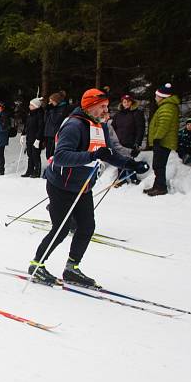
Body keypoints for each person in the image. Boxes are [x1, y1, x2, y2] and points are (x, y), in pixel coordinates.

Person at [27, 88, 150, 287]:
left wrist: (131, 165)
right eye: (102, 106)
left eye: (106, 106)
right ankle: (36, 265)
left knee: (86, 227)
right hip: (61, 185)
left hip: (83, 185)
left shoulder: (100, 126)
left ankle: (72, 269)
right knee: (61, 229)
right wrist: (92, 156)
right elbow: (61, 156)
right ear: (90, 106)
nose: (105, 110)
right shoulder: (74, 126)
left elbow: (107, 153)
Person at [145, 83, 180, 196]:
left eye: (156, 96)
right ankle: (158, 186)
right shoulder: (166, 106)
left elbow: (163, 125)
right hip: (162, 141)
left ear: (162, 96)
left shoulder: (167, 107)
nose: (155, 98)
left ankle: (161, 187)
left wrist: (157, 138)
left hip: (163, 142)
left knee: (159, 165)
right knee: (158, 164)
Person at [43, 91, 70, 160]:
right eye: (49, 101)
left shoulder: (62, 108)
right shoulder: (53, 108)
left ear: (57, 101)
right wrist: (47, 110)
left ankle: (53, 168)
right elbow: (45, 120)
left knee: (52, 154)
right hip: (48, 133)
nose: (50, 103)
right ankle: (50, 166)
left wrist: (52, 110)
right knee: (48, 154)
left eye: (52, 101)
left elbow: (55, 120)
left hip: (54, 134)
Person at [22, 97, 44, 177]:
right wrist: (23, 134)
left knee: (35, 155)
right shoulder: (30, 114)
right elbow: (26, 125)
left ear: (36, 106)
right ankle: (29, 170)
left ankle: (37, 171)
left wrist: (38, 139)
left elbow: (41, 127)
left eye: (31, 105)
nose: (29, 106)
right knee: (29, 154)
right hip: (29, 137)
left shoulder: (39, 114)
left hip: (36, 138)